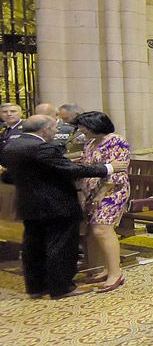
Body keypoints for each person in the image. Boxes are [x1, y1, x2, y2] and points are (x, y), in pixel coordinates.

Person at [1, 115, 126, 299]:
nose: (57, 131)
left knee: (33, 247)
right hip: (55, 204)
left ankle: (36, 287)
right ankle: (62, 287)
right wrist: (108, 167)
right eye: (54, 128)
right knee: (60, 246)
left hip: (30, 204)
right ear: (44, 130)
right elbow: (70, 170)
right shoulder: (42, 147)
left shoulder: (12, 146)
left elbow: (9, 176)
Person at [75, 111, 132, 293]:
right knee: (96, 230)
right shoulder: (91, 142)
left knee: (102, 228)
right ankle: (107, 268)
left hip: (112, 190)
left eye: (85, 127)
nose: (82, 131)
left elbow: (117, 170)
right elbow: (86, 163)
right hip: (91, 190)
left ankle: (116, 273)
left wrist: (100, 194)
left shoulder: (116, 141)